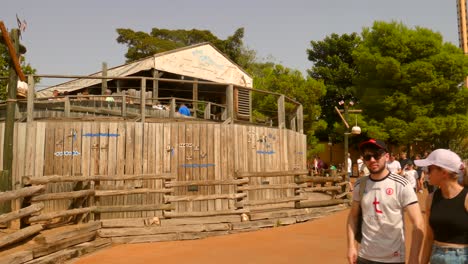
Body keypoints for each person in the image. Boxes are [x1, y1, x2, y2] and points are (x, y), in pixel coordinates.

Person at [347, 139, 424, 264]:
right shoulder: (360, 185)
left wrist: (414, 258)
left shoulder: (401, 184)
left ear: (387, 156)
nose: (372, 160)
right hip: (364, 256)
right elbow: (353, 217)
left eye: (376, 155)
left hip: (393, 258)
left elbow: (418, 223)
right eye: (368, 157)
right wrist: (351, 247)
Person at [414, 149, 468, 263]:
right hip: (436, 256)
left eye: (429, 169)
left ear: (444, 172)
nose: (426, 173)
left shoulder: (467, 198)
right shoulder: (431, 198)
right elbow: (429, 238)